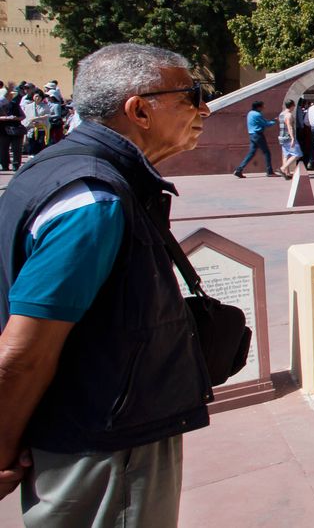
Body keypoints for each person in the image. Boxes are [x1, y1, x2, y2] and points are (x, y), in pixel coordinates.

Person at [0, 43, 213, 525]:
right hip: (107, 446)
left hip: (97, 428)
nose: (204, 109)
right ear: (139, 109)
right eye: (191, 95)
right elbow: (23, 351)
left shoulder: (59, 169)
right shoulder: (93, 199)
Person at [233, 100, 277, 178]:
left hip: (252, 135)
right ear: (258, 107)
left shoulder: (250, 113)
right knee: (266, 152)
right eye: (263, 106)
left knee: (251, 153)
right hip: (258, 135)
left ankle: (239, 170)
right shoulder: (257, 114)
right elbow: (266, 124)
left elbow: (263, 122)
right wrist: (275, 121)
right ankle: (269, 171)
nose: (264, 107)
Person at [277, 99, 304, 180]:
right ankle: (282, 168)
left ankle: (287, 173)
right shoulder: (289, 115)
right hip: (288, 137)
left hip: (282, 137)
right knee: (297, 154)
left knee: (286, 155)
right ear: (292, 105)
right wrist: (292, 138)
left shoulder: (281, 114)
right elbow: (290, 127)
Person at [0, 89, 24, 171]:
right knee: (3, 149)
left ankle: (16, 165)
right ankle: (4, 165)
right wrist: (6, 118)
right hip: (3, 130)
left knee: (16, 148)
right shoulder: (0, 105)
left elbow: (23, 116)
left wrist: (16, 118)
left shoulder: (15, 105)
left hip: (16, 130)